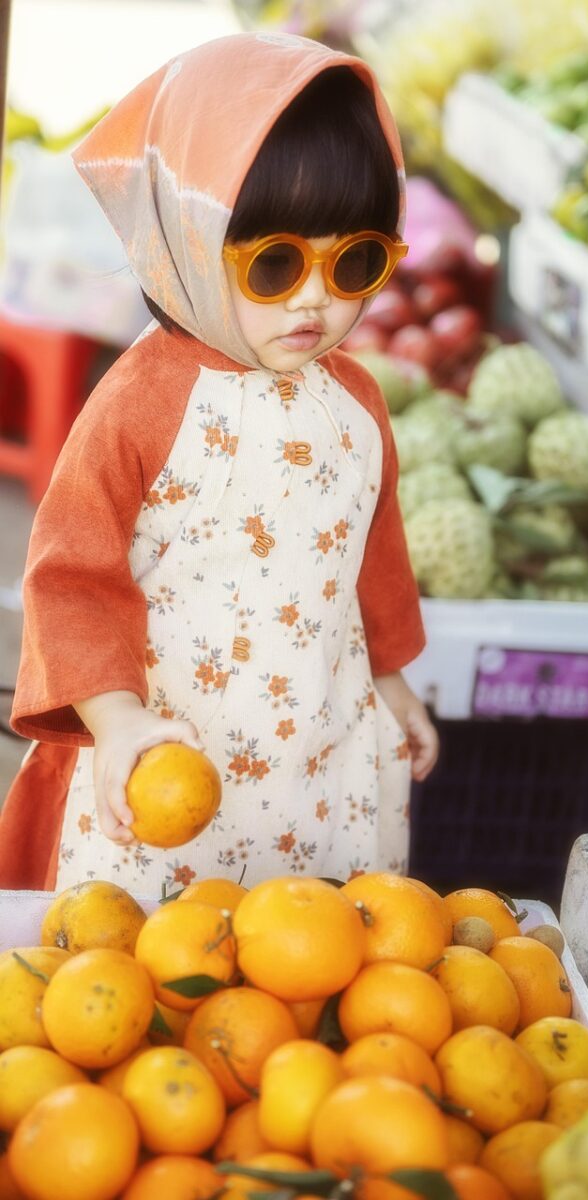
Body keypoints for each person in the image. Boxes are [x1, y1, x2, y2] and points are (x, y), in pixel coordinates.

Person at [0, 32, 439, 895]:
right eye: (275, 263)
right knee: (140, 963)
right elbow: (72, 578)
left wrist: (392, 679)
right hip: (168, 753)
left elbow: (372, 549)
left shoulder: (354, 402)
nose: (316, 296)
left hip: (317, 749)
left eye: (355, 261)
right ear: (187, 240)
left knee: (298, 956)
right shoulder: (140, 404)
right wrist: (118, 724)